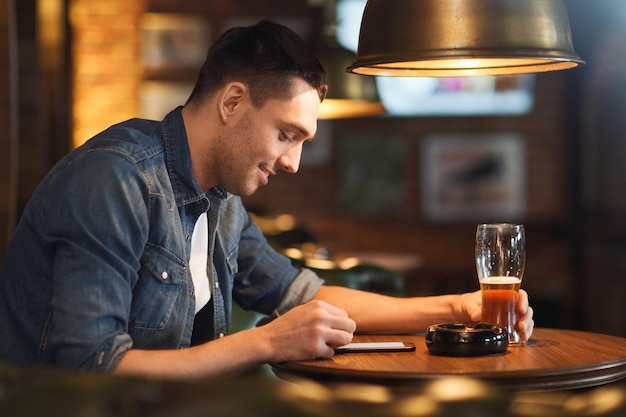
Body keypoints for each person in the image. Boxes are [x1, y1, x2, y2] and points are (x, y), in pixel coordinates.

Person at [0, 20, 534, 380]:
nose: (293, 163)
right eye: (287, 134)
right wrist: (266, 343)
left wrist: (457, 307)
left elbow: (302, 295)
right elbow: (87, 367)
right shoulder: (114, 180)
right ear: (233, 101)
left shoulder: (220, 196)